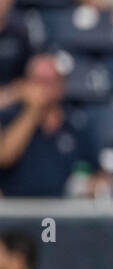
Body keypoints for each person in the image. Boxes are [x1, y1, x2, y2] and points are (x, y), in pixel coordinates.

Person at [0, 54, 102, 198]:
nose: (43, 88)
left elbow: (97, 171)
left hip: (65, 213)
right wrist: (32, 110)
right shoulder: (10, 117)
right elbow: (4, 157)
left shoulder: (77, 124)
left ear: (61, 85)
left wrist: (93, 185)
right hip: (18, 211)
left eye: (49, 81)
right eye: (38, 81)